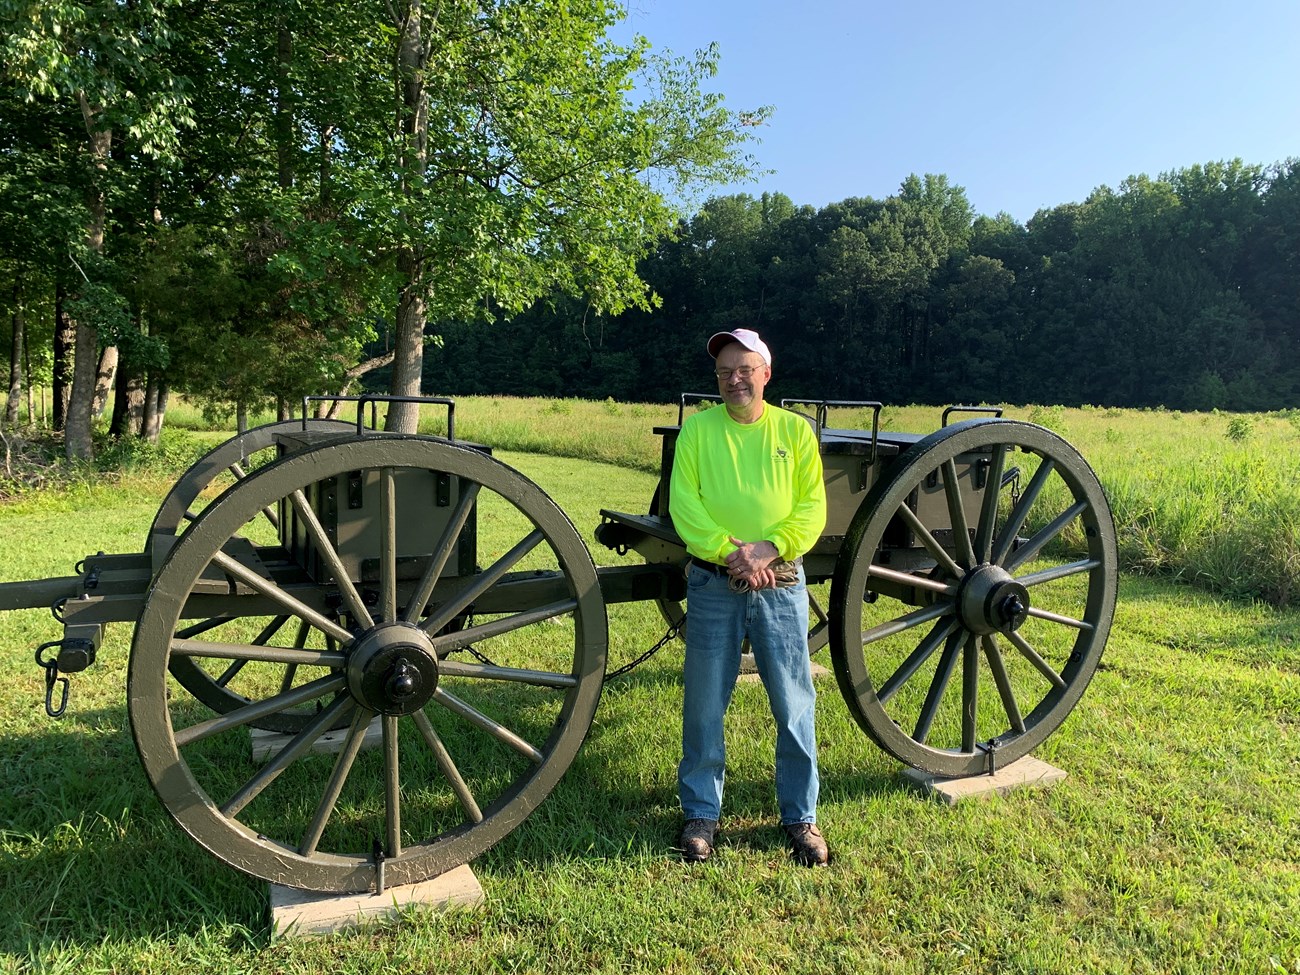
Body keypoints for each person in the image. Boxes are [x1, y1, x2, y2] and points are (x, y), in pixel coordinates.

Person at [668, 327, 829, 867]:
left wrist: (769, 548)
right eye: (723, 372)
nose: (732, 380)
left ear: (765, 373)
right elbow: (685, 505)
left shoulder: (796, 432)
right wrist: (731, 552)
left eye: (743, 369)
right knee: (705, 704)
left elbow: (812, 508)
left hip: (782, 583)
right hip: (715, 581)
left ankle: (800, 816)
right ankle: (701, 814)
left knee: (794, 704)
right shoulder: (698, 431)